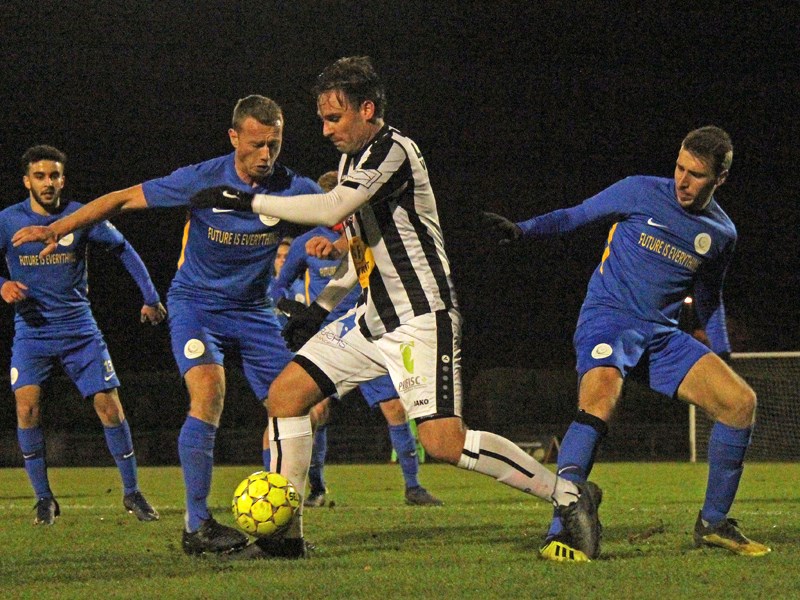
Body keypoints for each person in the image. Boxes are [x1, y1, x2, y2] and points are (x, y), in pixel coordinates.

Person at [182, 56, 603, 561]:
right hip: (370, 318)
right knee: (286, 396)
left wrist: (249, 202)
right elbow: (362, 250)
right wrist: (322, 307)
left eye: (334, 117)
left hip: (420, 317)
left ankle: (569, 495)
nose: (325, 130)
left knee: (444, 442)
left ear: (367, 109)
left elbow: (332, 208)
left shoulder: (393, 151)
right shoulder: (350, 162)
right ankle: (284, 539)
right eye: (322, 119)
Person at [13, 97, 320, 556]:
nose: (265, 155)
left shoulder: (294, 187)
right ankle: (197, 526)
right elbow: (121, 199)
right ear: (233, 137)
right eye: (256, 144)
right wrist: (60, 228)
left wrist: (334, 246)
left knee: (296, 408)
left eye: (273, 145)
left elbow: (344, 218)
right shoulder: (201, 179)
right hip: (196, 305)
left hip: (254, 311)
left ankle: (280, 527)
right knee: (209, 391)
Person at [483, 126, 770, 560]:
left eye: (695, 174)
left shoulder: (722, 233)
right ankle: (562, 528)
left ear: (720, 178)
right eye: (679, 167)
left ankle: (713, 523)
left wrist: (722, 353)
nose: (682, 180)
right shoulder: (639, 190)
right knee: (599, 399)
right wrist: (523, 230)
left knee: (740, 403)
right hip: (609, 319)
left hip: (662, 336)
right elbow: (575, 215)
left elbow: (710, 298)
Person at [0, 145, 163, 525]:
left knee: (110, 407)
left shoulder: (80, 216)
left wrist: (151, 297)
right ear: (26, 181)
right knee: (26, 408)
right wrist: (2, 285)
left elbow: (123, 249)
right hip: (32, 332)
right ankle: (44, 499)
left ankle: (132, 492)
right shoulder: (8, 220)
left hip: (79, 330)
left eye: (54, 175)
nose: (48, 182)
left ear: (63, 179)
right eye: (40, 176)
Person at [270, 171, 442, 508]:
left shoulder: (361, 236)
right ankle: (317, 489)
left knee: (395, 408)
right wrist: (291, 309)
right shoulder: (306, 243)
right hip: (326, 339)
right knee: (316, 412)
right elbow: (278, 286)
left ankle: (413, 487)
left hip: (366, 333)